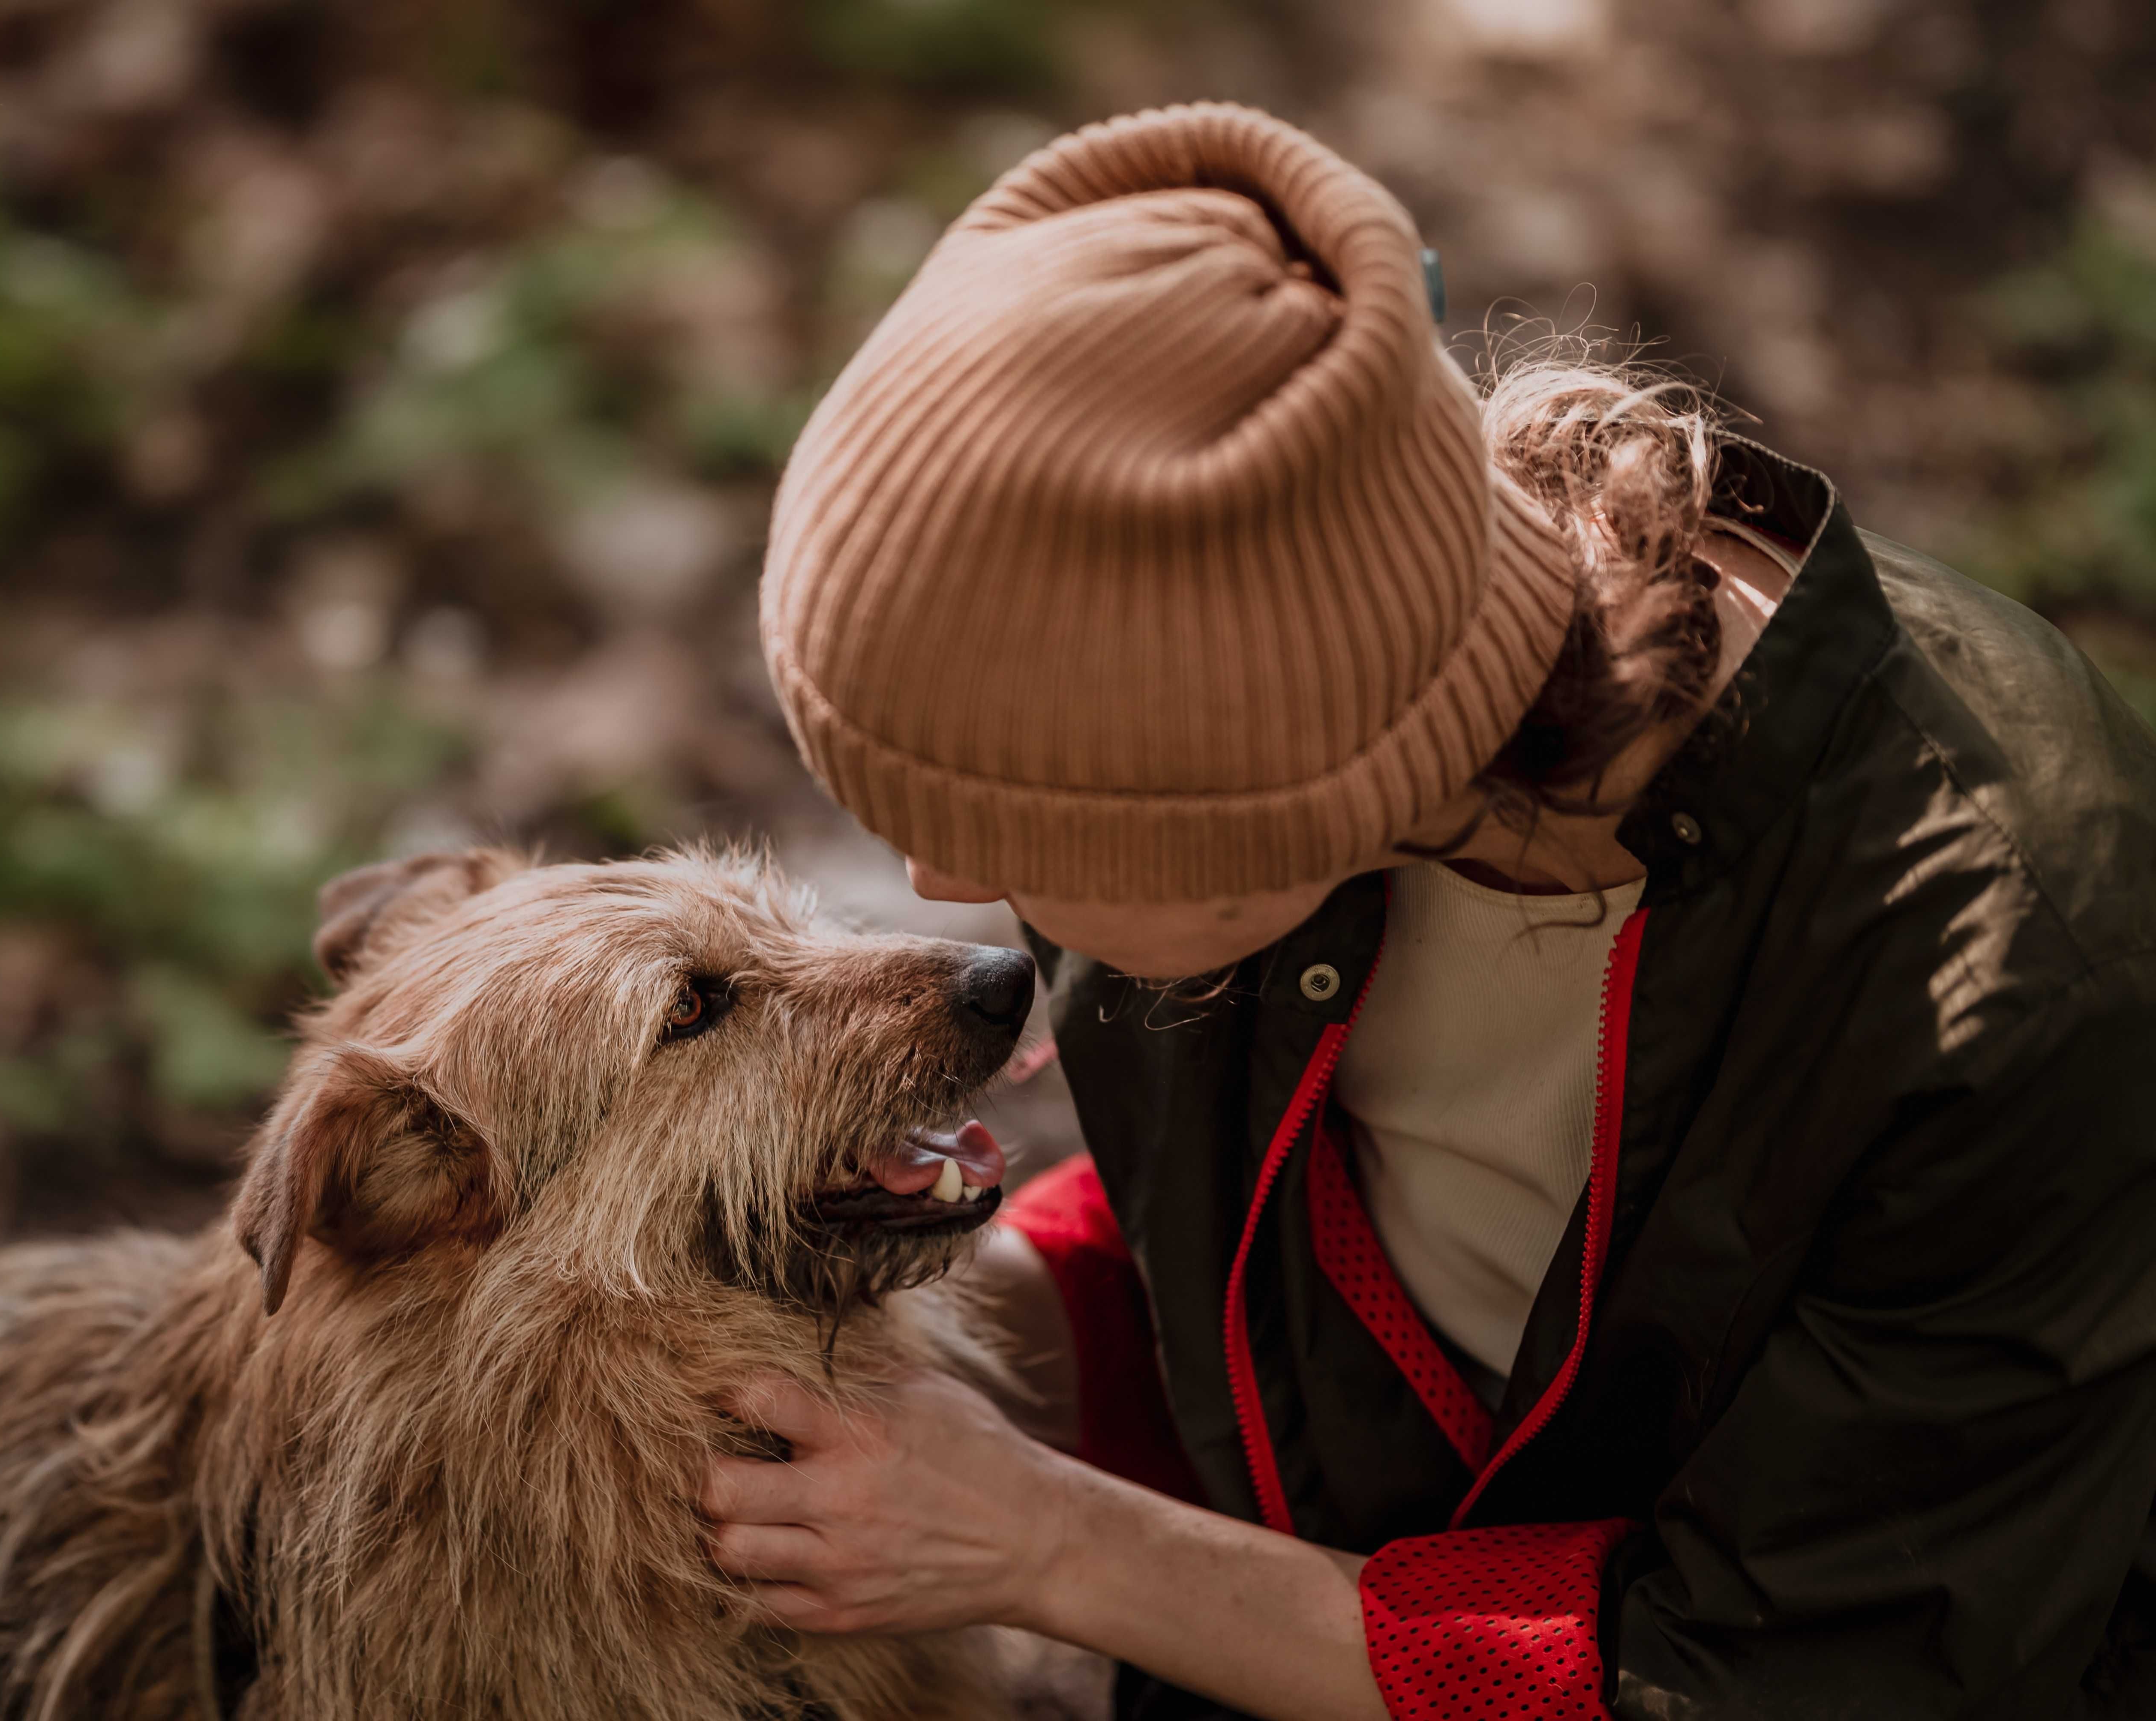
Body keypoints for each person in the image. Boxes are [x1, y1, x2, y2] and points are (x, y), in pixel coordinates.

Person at [703, 102, 2156, 1720]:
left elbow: (1795, 1677)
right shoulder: (1264, 724)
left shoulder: (2011, 981)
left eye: (1011, 834)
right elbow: (1264, 1219)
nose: (946, 892)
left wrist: (1057, 1550)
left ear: (1283, 796)